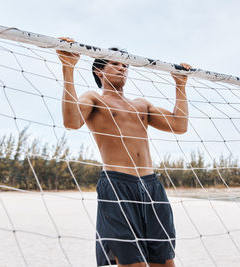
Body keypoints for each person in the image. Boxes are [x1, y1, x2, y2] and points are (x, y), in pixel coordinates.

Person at [56, 38, 190, 267]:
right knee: (132, 263)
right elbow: (71, 121)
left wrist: (180, 84)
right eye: (115, 64)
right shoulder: (93, 98)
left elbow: (179, 125)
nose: (122, 68)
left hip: (151, 186)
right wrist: (68, 67)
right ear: (99, 71)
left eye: (125, 65)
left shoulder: (141, 104)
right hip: (117, 185)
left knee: (165, 262)